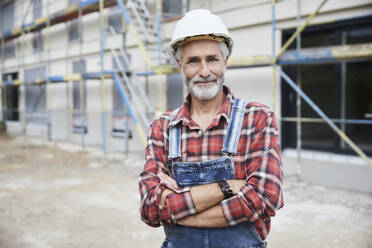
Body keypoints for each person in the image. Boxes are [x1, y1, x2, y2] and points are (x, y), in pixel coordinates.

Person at [139, 9, 284, 248]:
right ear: (180, 65)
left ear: (225, 61)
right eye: (193, 61)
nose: (204, 72)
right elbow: (150, 208)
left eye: (212, 59)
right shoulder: (162, 127)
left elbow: (264, 199)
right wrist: (227, 187)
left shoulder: (257, 118)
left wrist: (177, 210)